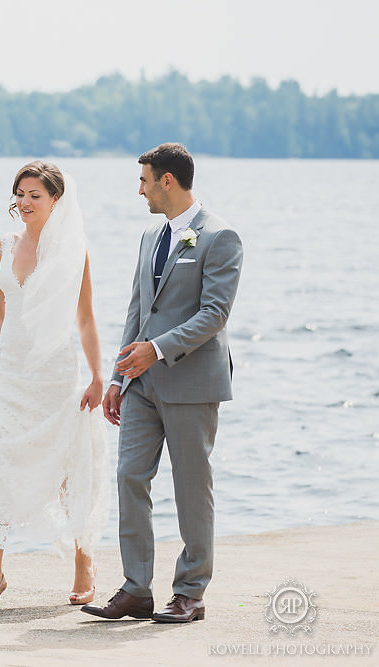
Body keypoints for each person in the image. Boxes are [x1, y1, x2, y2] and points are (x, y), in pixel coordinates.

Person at [82, 143, 243, 623]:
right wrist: (118, 376)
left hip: (193, 382)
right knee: (130, 477)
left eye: (144, 180)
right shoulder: (150, 234)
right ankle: (136, 589)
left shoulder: (220, 236)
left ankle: (190, 592)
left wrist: (159, 348)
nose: (140, 190)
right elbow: (138, 308)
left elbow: (215, 313)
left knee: (193, 487)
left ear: (167, 181)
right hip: (141, 385)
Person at [0, 161, 109, 613]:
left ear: (56, 200)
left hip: (55, 374)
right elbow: (0, 314)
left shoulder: (73, 251)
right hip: (8, 374)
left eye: (34, 195)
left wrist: (99, 376)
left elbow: (85, 318)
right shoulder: (4, 245)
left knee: (68, 469)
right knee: (0, 466)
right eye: (19, 193)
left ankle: (84, 564)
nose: (24, 203)